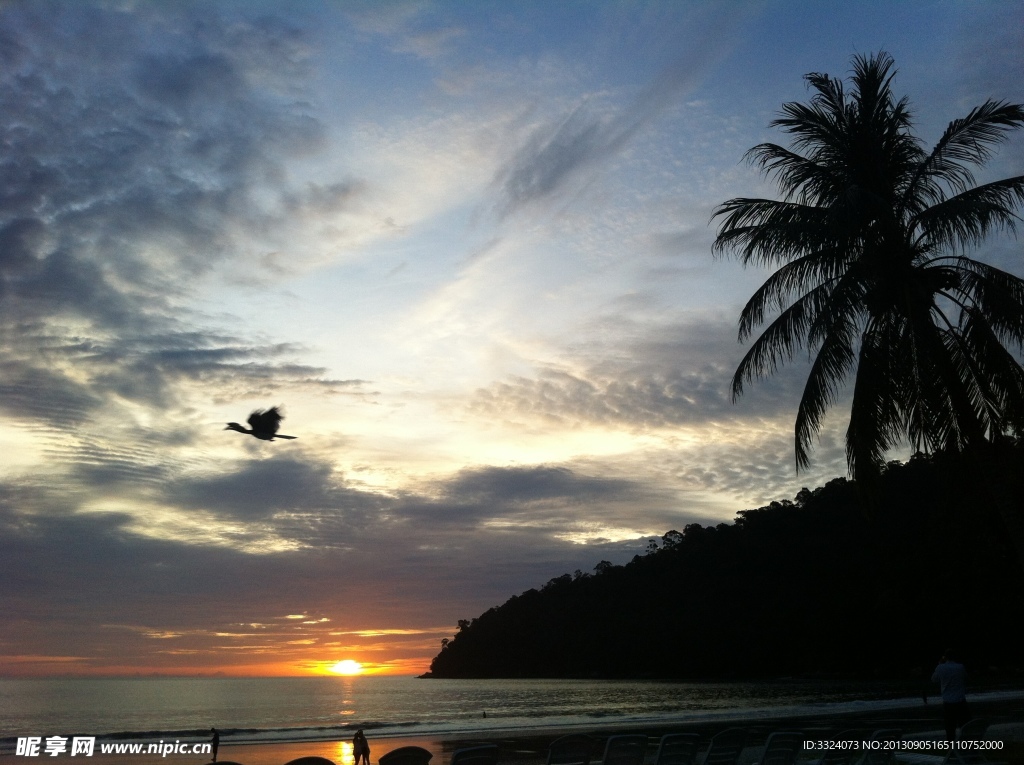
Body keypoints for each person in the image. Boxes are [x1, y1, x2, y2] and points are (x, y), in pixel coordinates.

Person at [931, 650, 969, 741]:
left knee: (950, 727)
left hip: (948, 702)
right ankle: (966, 745)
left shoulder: (940, 667)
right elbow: (965, 678)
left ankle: (951, 748)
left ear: (945, 657)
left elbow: (934, 679)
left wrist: (939, 664)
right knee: (964, 725)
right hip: (960, 700)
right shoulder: (960, 667)